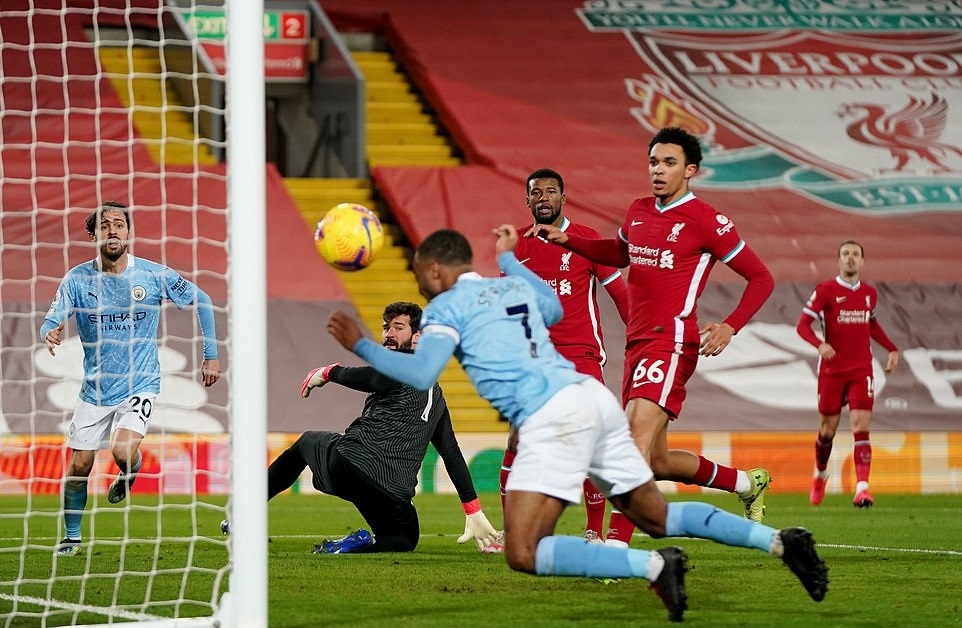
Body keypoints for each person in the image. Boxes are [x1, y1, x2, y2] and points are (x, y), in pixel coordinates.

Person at [327, 227, 828, 622]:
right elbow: (552, 307)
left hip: (552, 418)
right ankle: (782, 542)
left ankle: (655, 566)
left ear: (435, 269)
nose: (418, 282)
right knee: (656, 517)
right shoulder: (508, 285)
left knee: (523, 550)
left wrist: (360, 345)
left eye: (418, 273)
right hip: (591, 398)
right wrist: (508, 260)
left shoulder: (444, 308)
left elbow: (419, 371)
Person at [529, 127, 775, 540]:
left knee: (630, 441)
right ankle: (748, 484)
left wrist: (731, 325)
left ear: (691, 170)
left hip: (672, 341)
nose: (657, 170)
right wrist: (568, 240)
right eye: (653, 162)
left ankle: (615, 544)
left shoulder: (706, 221)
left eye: (669, 163)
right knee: (656, 460)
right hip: (638, 345)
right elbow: (619, 254)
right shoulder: (639, 210)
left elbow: (761, 277)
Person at [223, 301, 499, 554]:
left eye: (398, 327)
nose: (389, 333)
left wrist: (329, 372)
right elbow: (450, 452)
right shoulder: (437, 397)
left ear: (418, 337)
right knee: (402, 540)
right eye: (385, 327)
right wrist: (472, 508)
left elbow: (377, 378)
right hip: (391, 489)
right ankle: (361, 542)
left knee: (307, 443)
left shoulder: (406, 364)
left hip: (352, 464)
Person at [40, 201, 222, 557]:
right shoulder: (77, 279)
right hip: (94, 389)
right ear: (93, 235)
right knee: (79, 466)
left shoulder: (153, 275)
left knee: (123, 451)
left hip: (140, 383)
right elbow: (52, 318)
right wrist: (51, 330)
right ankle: (72, 537)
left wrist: (211, 354)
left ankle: (130, 468)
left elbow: (203, 300)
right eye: (104, 225)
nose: (113, 230)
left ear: (128, 232)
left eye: (119, 224)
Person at [499, 168, 631, 544]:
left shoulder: (587, 240)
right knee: (517, 441)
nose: (543, 197)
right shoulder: (517, 248)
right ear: (527, 201)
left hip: (581, 355)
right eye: (536, 192)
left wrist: (641, 338)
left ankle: (593, 529)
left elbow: (621, 297)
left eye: (550, 191)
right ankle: (513, 532)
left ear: (563, 198)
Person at [796, 240, 899, 508]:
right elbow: (802, 325)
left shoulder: (869, 293)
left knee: (860, 426)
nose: (851, 258)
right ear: (839, 260)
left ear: (862, 261)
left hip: (861, 368)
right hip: (832, 370)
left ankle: (862, 488)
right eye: (846, 254)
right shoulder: (826, 290)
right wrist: (819, 345)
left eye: (855, 254)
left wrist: (891, 348)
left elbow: (872, 324)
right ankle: (820, 474)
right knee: (826, 432)